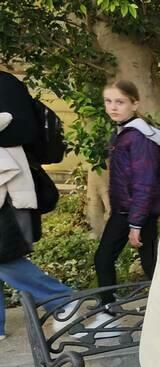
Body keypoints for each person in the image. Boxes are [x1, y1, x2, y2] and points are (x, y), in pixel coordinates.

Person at [0, 70, 80, 340]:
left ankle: (63, 299)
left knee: (4, 257)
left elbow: (25, 130)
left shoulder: (5, 83)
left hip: (8, 189)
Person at [94, 81, 160, 307]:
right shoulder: (124, 133)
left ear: (134, 104)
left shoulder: (138, 138)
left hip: (134, 211)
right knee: (148, 264)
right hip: (129, 210)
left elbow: (144, 183)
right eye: (108, 101)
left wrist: (135, 224)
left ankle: (108, 312)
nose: (113, 107)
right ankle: (110, 310)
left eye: (120, 102)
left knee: (106, 258)